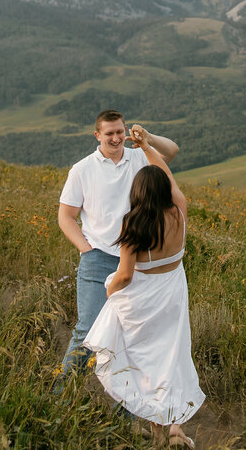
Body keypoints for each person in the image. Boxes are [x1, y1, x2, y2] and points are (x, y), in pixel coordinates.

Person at [83, 125, 204, 447]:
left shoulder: (133, 224)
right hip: (174, 288)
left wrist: (111, 293)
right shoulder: (178, 210)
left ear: (136, 192)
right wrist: (147, 146)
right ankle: (177, 429)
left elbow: (123, 275)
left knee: (147, 361)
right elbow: (171, 179)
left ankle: (159, 435)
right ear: (164, 190)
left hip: (144, 297)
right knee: (174, 355)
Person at [58, 110, 179, 375]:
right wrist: (86, 250)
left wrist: (147, 138)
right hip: (98, 258)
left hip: (139, 262)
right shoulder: (82, 170)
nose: (116, 138)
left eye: (120, 132)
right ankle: (61, 394)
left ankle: (123, 402)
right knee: (87, 329)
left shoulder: (140, 157)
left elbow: (172, 150)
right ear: (97, 135)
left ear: (126, 131)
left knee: (130, 335)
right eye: (109, 133)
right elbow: (66, 217)